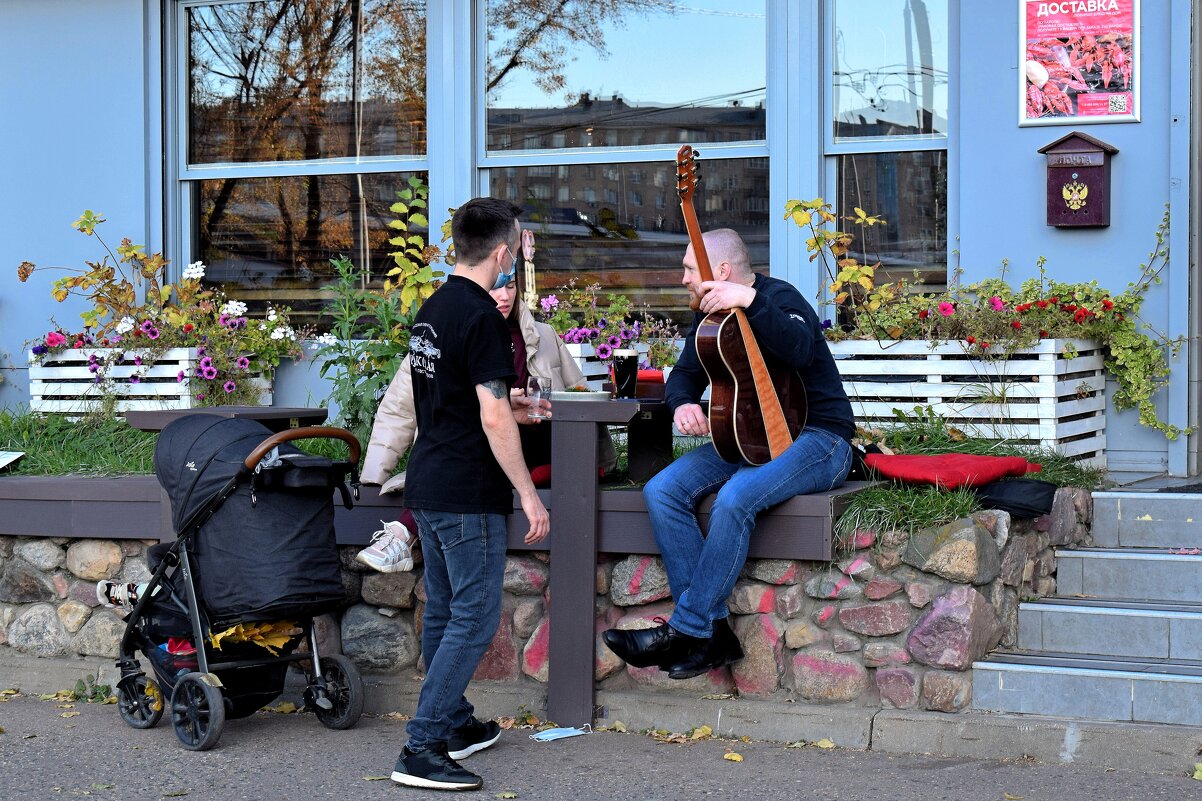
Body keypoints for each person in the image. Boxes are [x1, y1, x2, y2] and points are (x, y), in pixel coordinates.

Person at [602, 228, 855, 680]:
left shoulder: (781, 298)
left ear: (720, 271)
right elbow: (684, 374)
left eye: (686, 267)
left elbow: (799, 349)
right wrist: (681, 404)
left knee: (735, 498)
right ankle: (712, 634)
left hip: (818, 439)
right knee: (662, 490)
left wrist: (751, 301)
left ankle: (687, 630)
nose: (681, 278)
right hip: (746, 438)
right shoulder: (709, 317)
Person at [370, 198, 550, 792]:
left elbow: (454, 398)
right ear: (503, 253)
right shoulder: (483, 317)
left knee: (445, 612)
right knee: (473, 621)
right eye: (514, 253)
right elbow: (493, 417)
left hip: (429, 482)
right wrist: (528, 494)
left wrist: (511, 404)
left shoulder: (435, 308)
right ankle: (421, 746)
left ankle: (451, 722)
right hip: (468, 492)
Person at [358, 252, 616, 573]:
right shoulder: (452, 329)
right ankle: (400, 534)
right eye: (496, 287)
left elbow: (577, 393)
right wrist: (372, 477)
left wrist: (597, 454)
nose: (504, 296)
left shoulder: (543, 336)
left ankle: (400, 535)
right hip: (475, 450)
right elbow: (400, 406)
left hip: (537, 448)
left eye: (510, 287)